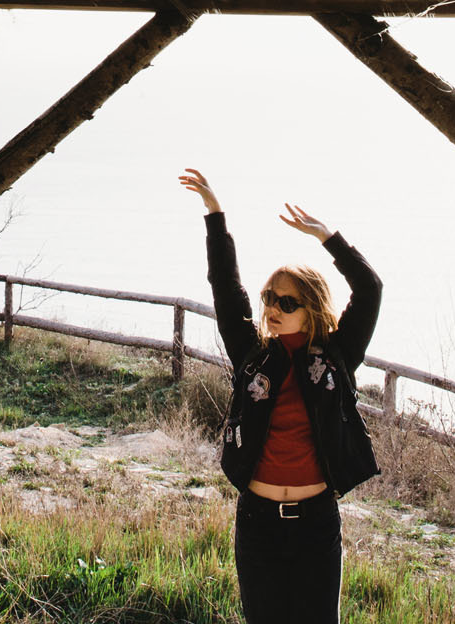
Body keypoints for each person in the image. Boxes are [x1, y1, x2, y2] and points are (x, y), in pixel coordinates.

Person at [178, 166, 381, 624]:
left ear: (310, 311)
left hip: (317, 523)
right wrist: (215, 214)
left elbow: (370, 290)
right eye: (269, 297)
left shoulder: (335, 356)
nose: (271, 308)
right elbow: (226, 288)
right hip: (258, 523)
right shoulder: (253, 354)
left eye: (285, 302)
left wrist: (329, 239)